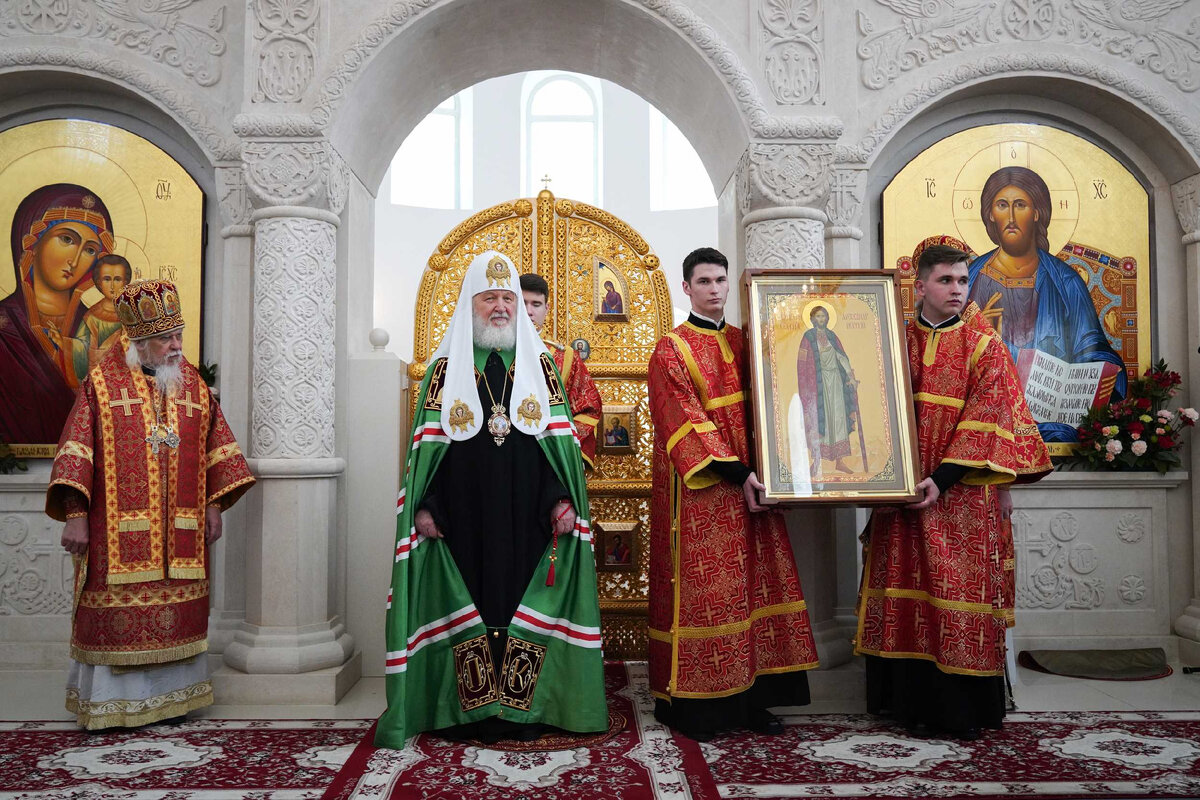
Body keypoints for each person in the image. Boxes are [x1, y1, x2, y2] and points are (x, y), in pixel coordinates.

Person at [376, 251, 606, 749]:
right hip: (463, 516)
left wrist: (561, 500)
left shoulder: (542, 368)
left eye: (507, 298)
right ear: (470, 304)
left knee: (523, 599)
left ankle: (527, 710)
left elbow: (557, 449)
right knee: (473, 599)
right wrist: (426, 505)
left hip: (529, 514)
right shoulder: (445, 370)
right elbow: (427, 451)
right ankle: (469, 711)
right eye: (489, 298)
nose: (500, 307)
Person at [856, 244, 1051, 739]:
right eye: (945, 280)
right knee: (905, 589)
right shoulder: (892, 342)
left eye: (963, 281)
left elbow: (986, 419)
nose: (957, 290)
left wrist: (940, 480)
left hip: (962, 495)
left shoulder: (984, 346)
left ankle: (959, 711)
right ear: (920, 286)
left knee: (954, 593)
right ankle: (905, 705)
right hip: (901, 495)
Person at [47, 278, 255, 730]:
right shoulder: (102, 385)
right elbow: (76, 451)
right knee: (114, 620)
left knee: (178, 617)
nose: (177, 346)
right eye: (167, 339)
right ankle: (112, 706)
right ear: (139, 342)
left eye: (179, 335)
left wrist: (213, 507)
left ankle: (173, 701)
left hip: (182, 535)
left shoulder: (193, 384)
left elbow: (217, 448)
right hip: (114, 537)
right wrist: (76, 516)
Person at [648, 246, 819, 741]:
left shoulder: (747, 341)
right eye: (704, 281)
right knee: (711, 595)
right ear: (686, 288)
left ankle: (754, 702)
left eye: (720, 280)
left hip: (756, 485)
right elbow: (685, 422)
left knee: (758, 587)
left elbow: (783, 400)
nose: (714, 289)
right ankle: (701, 706)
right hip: (704, 491)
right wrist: (739, 473)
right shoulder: (671, 349)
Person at [966, 166, 1126, 441]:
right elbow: (949, 350)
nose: (1011, 217)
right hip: (987, 415)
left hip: (1052, 418)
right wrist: (981, 336)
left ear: (1037, 212)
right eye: (1002, 205)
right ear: (990, 213)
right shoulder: (970, 279)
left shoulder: (1066, 281)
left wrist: (1102, 369)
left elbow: (1091, 346)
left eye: (1020, 205)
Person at [1, 185, 114, 447]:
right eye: (67, 239)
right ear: (33, 242)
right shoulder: (4, 326)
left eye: (90, 250)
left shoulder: (99, 324)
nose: (75, 260)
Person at [520, 272, 604, 468]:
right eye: (523, 303)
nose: (529, 311)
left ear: (546, 309)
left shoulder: (565, 357)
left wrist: (565, 447)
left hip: (552, 458)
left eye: (536, 304)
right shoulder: (495, 352)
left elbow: (588, 408)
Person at [796, 304, 859, 474]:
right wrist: (805, 387)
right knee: (820, 421)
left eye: (823, 316)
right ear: (812, 319)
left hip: (836, 383)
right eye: (818, 316)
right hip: (818, 385)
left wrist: (850, 377)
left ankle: (840, 461)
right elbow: (802, 364)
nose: (821, 319)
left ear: (827, 318)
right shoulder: (808, 337)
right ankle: (816, 462)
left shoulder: (832, 336)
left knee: (838, 419)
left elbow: (842, 357)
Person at [73, 254, 132, 381]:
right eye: (107, 279)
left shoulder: (133, 314)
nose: (112, 286)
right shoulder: (91, 316)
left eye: (117, 279)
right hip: (99, 379)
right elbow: (80, 351)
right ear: (99, 282)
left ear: (125, 282)